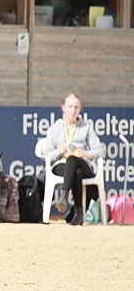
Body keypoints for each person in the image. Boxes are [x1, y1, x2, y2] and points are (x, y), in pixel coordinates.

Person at [35, 92, 104, 225]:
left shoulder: (86, 128)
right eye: (70, 106)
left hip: (82, 164)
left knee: (74, 161)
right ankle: (79, 214)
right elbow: (47, 155)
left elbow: (101, 150)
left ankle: (64, 194)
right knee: (75, 170)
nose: (73, 110)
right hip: (61, 165)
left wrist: (85, 153)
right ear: (63, 107)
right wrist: (59, 151)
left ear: (80, 109)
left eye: (76, 107)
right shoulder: (54, 129)